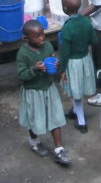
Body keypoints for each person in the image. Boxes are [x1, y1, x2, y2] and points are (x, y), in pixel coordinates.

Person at [16, 20, 70, 166]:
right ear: (26, 39)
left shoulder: (47, 46)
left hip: (49, 88)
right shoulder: (23, 53)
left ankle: (59, 149)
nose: (41, 38)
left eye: (42, 34)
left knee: (56, 118)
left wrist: (57, 64)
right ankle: (35, 141)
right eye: (36, 36)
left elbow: (53, 59)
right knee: (34, 119)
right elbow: (21, 75)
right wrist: (34, 69)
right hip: (33, 92)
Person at [58, 0, 99, 134]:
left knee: (75, 91)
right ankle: (75, 110)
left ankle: (81, 120)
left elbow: (64, 53)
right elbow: (94, 40)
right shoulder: (86, 22)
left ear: (64, 8)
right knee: (79, 88)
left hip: (72, 63)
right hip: (85, 59)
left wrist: (62, 70)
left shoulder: (67, 28)